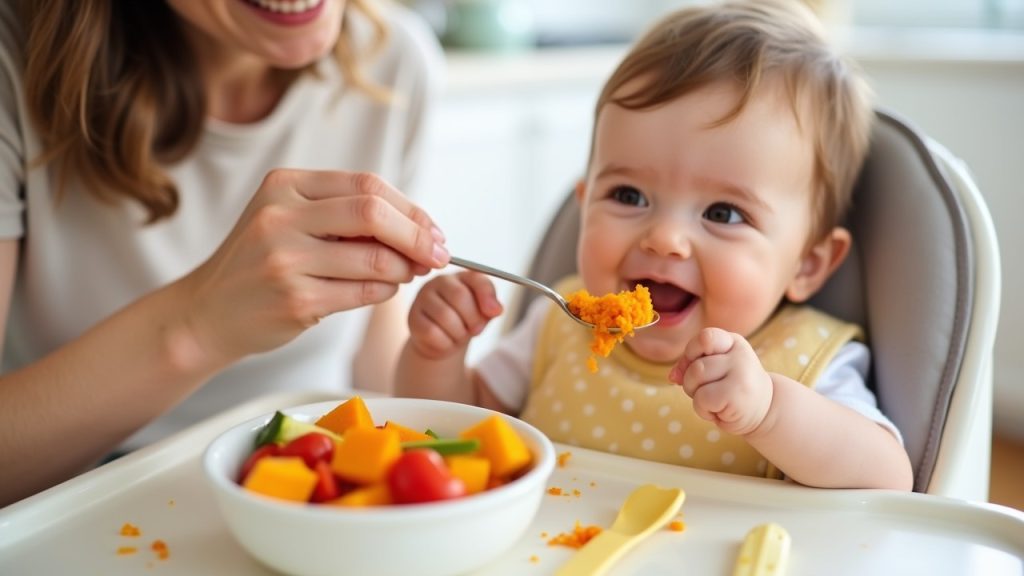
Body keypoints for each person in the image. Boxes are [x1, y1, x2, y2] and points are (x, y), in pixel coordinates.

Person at [395, 0, 914, 490]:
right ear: (585, 203)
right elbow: (452, 431)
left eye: (723, 213)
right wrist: (436, 354)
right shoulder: (555, 329)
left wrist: (769, 411)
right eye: (629, 194)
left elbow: (889, 477)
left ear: (808, 263)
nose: (665, 239)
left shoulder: (806, 361)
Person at [0, 0, 449, 506]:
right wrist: (198, 327)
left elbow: (375, 358)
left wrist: (436, 360)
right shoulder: (10, 57)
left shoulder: (395, 61)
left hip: (310, 491)